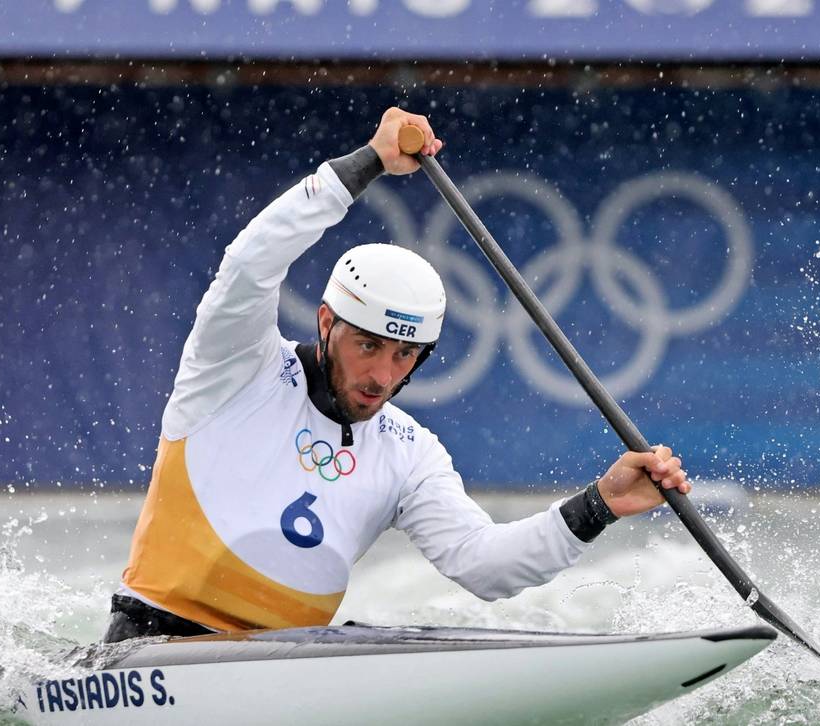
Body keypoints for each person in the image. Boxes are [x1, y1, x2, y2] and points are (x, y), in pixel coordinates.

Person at [103, 107, 690, 643]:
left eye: (405, 356)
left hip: (281, 668)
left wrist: (602, 504)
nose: (382, 375)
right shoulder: (235, 365)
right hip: (151, 647)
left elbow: (484, 565)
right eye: (368, 346)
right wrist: (367, 164)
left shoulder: (409, 453)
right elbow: (251, 263)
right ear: (326, 321)